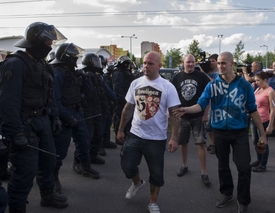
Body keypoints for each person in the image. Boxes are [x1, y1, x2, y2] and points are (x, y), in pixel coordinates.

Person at [173, 51, 267, 213]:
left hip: (239, 132)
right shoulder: (212, 85)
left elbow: (253, 111)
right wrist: (185, 109)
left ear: (232, 64)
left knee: (244, 167)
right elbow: (201, 104)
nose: (220, 66)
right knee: (223, 166)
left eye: (224, 63)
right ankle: (227, 193)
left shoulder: (244, 85)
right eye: (219, 63)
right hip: (219, 132)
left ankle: (243, 201)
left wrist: (263, 134)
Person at [0, 22, 68, 212]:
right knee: (24, 172)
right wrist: (15, 133)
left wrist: (54, 117)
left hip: (43, 121)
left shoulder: (41, 64)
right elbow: (8, 102)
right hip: (24, 124)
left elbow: (50, 96)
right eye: (47, 41)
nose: (49, 45)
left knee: (49, 163)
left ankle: (48, 196)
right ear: (36, 41)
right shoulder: (15, 64)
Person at [117, 51, 180, 213]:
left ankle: (153, 202)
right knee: (127, 166)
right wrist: (120, 129)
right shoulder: (136, 83)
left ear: (159, 66)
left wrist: (174, 137)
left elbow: (175, 113)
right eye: (144, 63)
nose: (146, 66)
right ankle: (137, 183)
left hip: (156, 139)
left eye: (150, 63)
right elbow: (128, 107)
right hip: (135, 134)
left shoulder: (167, 86)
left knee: (156, 174)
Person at [51, 43, 100, 194]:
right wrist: (67, 116)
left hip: (77, 112)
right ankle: (53, 179)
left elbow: (89, 92)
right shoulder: (57, 73)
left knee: (84, 141)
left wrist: (85, 79)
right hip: (64, 115)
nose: (75, 59)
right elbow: (55, 100)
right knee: (60, 151)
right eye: (73, 57)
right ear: (65, 57)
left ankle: (84, 167)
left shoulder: (73, 72)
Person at [170, 54, 211, 185]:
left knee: (201, 143)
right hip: (182, 116)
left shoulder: (201, 76)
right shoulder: (177, 77)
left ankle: (204, 172)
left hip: (198, 115)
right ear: (183, 63)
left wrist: (205, 114)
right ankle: (184, 165)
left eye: (193, 62)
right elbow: (171, 95)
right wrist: (170, 112)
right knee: (183, 142)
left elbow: (209, 95)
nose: (191, 65)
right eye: (188, 62)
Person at [250, 72, 275, 172]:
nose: (256, 82)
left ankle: (263, 164)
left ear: (265, 80)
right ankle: (259, 160)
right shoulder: (258, 89)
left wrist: (270, 125)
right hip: (254, 120)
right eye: (255, 80)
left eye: (258, 80)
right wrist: (253, 88)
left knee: (263, 142)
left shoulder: (270, 91)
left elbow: (273, 109)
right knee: (255, 141)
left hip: (264, 120)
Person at [112, 56, 136, 145]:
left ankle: (125, 136)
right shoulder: (118, 73)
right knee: (119, 118)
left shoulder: (125, 72)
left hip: (127, 100)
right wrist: (123, 100)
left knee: (128, 119)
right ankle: (119, 138)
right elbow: (117, 88)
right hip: (122, 101)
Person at [205, 54, 219, 154]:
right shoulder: (208, 71)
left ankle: (217, 144)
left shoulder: (219, 73)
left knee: (213, 124)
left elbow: (215, 83)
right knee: (208, 126)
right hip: (208, 100)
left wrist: (203, 74)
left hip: (217, 101)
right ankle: (214, 143)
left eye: (213, 61)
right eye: (210, 61)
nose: (211, 63)